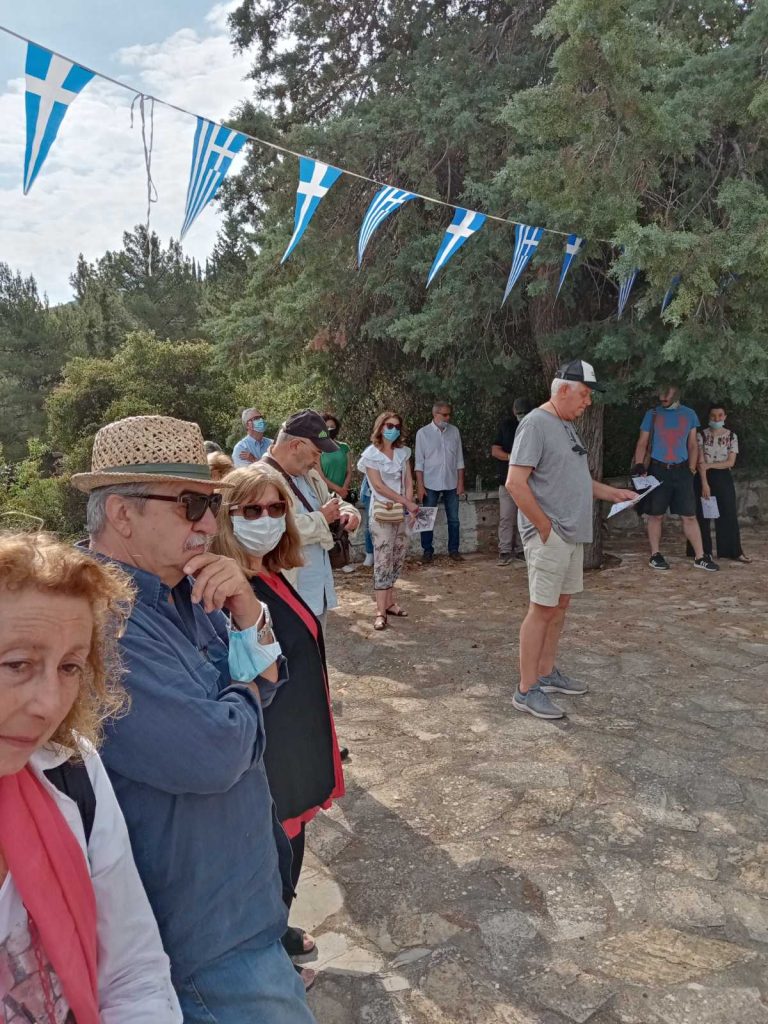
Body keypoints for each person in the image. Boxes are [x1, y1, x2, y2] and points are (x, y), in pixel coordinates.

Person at [70, 415, 316, 1024]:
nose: (210, 522)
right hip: (204, 942)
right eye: (191, 504)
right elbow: (215, 753)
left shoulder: (187, 587)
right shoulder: (101, 623)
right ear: (122, 514)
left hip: (240, 904)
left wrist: (247, 608)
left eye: (212, 504)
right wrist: (248, 685)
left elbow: (269, 679)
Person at [0, 531, 181, 1024]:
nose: (49, 705)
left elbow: (133, 969)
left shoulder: (68, 768)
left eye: (70, 667)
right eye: (17, 664)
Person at [212, 465, 345, 981]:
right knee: (272, 854)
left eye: (275, 508)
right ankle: (267, 955)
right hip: (272, 751)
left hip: (297, 739)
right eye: (251, 510)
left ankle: (278, 926)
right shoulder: (228, 591)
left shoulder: (268, 573)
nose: (265, 519)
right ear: (226, 517)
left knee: (291, 844)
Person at [507, 360, 637, 720]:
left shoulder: (566, 426)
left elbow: (575, 479)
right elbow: (515, 483)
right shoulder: (535, 424)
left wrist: (612, 493)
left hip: (570, 533)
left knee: (559, 606)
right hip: (552, 535)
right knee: (541, 609)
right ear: (563, 389)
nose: (588, 402)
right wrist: (544, 528)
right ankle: (526, 690)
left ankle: (546, 674)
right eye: (585, 394)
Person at [264, 410, 360, 632]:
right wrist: (321, 519)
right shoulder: (260, 479)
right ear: (296, 445)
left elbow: (334, 502)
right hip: (287, 597)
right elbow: (270, 530)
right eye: (316, 453)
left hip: (316, 593)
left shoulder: (310, 474)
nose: (318, 460)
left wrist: (350, 513)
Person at [632, 385, 719, 572]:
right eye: (661, 392)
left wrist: (691, 469)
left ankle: (700, 556)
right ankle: (655, 554)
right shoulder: (652, 414)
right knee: (656, 514)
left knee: (689, 515)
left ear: (677, 392)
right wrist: (639, 464)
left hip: (682, 470)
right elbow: (642, 442)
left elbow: (693, 444)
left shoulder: (689, 414)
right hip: (658, 469)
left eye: (668, 392)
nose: (663, 396)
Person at [357, 411, 418, 631]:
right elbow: (378, 486)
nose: (393, 429)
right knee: (383, 559)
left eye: (396, 426)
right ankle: (380, 611)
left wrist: (409, 505)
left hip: (400, 512)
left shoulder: (403, 453)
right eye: (389, 425)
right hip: (382, 512)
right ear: (381, 427)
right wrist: (405, 502)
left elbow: (408, 481)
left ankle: (390, 602)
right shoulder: (371, 455)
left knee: (397, 557)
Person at [688, 402, 750, 563]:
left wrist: (710, 465)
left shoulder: (731, 436)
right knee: (702, 514)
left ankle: (733, 551)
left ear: (725, 416)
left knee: (728, 513)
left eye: (720, 415)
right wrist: (705, 483)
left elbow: (730, 462)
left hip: (723, 477)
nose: (717, 419)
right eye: (713, 416)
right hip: (703, 477)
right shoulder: (701, 435)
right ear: (709, 417)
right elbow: (700, 462)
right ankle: (702, 551)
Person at [415, 401, 466, 563]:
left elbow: (459, 459)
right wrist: (420, 486)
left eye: (449, 414)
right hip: (430, 482)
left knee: (454, 519)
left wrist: (460, 482)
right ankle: (427, 551)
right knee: (426, 517)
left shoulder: (454, 431)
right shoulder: (423, 433)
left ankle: (454, 550)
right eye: (444, 414)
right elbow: (419, 463)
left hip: (451, 481)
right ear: (435, 414)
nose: (447, 417)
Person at [492, 397, 533, 566]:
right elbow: (495, 450)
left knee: (527, 517)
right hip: (507, 480)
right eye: (519, 412)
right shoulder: (506, 425)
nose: (521, 415)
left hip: (528, 481)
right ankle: (505, 550)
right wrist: (512, 457)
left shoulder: (535, 425)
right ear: (514, 411)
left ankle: (523, 550)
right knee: (506, 517)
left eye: (524, 412)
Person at [318, 413, 356, 573]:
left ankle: (342, 559)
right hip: (325, 493)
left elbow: (349, 470)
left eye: (332, 427)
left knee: (343, 525)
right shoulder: (318, 449)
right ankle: (327, 561)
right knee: (327, 526)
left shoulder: (344, 447)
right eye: (326, 427)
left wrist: (344, 488)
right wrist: (336, 489)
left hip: (343, 492)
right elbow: (320, 475)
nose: (330, 429)